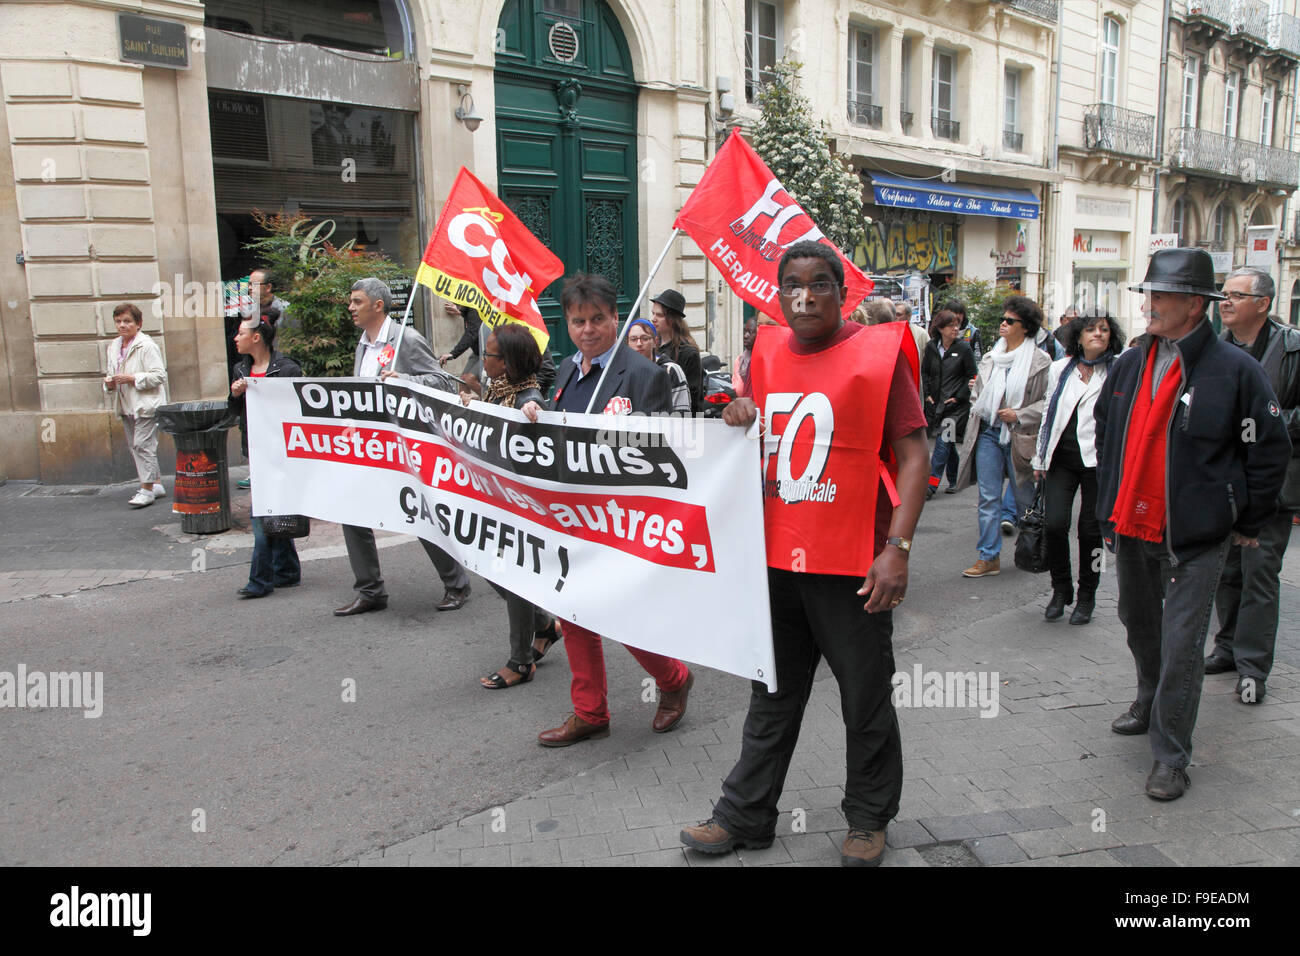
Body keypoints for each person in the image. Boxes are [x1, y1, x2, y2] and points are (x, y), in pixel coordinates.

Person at [679, 240, 928, 867]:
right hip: (780, 559)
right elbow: (760, 431)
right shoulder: (764, 354)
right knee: (773, 693)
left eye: (820, 284)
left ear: (842, 293)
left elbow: (915, 454)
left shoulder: (877, 355)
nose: (805, 295)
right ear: (779, 290)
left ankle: (870, 818)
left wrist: (896, 547)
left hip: (852, 564)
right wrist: (739, 411)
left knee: (863, 698)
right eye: (793, 283)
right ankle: (746, 815)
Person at [1096, 248, 1289, 800]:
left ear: (1192, 305)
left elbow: (1267, 448)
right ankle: (1147, 697)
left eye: (1160, 296)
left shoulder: (1235, 369)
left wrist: (1248, 518)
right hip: (1130, 522)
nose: (1149, 304)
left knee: (1184, 643)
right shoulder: (1131, 362)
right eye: (1149, 294)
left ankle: (1171, 755)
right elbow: (1107, 429)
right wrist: (1108, 500)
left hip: (1196, 535)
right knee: (1138, 622)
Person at [523, 274, 694, 746]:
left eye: (597, 319)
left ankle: (674, 679)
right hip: (571, 518)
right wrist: (535, 410)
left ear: (614, 318)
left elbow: (665, 457)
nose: (587, 330)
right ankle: (590, 711)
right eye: (578, 321)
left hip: (621, 521)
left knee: (622, 615)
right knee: (574, 611)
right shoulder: (563, 374)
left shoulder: (643, 375)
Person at [333, 277, 472, 616]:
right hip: (370, 444)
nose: (351, 307)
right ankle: (370, 589)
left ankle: (456, 583)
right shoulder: (362, 345)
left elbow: (442, 381)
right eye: (351, 301)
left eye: (357, 301)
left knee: (417, 512)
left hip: (404, 444)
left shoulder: (406, 339)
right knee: (351, 511)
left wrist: (406, 380)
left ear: (378, 306)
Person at [1205, 267, 1300, 704]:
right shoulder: (1213, 349)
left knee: (1259, 576)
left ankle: (1253, 668)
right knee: (1226, 571)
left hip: (1273, 486)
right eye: (1223, 294)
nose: (1224, 302)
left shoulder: (1293, 349)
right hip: (1223, 484)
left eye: (1236, 296)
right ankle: (1226, 647)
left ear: (1262, 304)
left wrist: (1264, 421)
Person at [455, 323, 564, 688]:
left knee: (513, 577)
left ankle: (520, 662)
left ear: (509, 361)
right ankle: (544, 625)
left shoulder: (527, 399)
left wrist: (535, 412)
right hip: (493, 502)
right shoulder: (498, 388)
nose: (482, 358)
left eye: (489, 354)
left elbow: (538, 449)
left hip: (519, 510)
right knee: (492, 570)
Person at [1030, 311, 1124, 624]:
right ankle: (1061, 589)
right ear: (1079, 336)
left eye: (1104, 329)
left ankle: (1087, 596)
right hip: (1061, 458)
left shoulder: (1118, 369)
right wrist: (1040, 458)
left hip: (1100, 462)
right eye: (1091, 329)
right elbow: (1048, 412)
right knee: (1055, 525)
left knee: (1090, 532)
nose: (1098, 334)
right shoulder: (1060, 369)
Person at [961, 295, 1051, 577]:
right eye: (1004, 318)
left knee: (1025, 500)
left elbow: (1048, 402)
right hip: (989, 432)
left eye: (1010, 321)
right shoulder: (992, 357)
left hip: (1021, 437)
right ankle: (988, 557)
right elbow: (979, 395)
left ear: (1025, 327)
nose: (1003, 323)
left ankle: (1033, 547)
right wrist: (979, 399)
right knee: (988, 498)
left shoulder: (1041, 361)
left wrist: (1020, 413)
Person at [229, 317, 303, 598]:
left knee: (262, 511)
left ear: (257, 338)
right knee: (273, 506)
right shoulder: (240, 368)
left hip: (282, 449)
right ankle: (287, 571)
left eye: (241, 333)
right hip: (256, 450)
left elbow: (298, 404)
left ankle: (259, 580)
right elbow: (236, 411)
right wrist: (236, 395)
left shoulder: (287, 368)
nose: (236, 338)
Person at [103, 303, 168, 508]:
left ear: (138, 324)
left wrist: (133, 378)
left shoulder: (147, 345)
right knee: (136, 446)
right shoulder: (114, 346)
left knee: (143, 445)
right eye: (118, 321)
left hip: (146, 404)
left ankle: (146, 489)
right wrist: (110, 383)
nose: (122, 325)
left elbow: (159, 376)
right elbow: (111, 374)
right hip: (126, 404)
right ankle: (155, 484)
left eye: (127, 321)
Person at [922, 309, 977, 498]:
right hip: (936, 405)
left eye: (957, 325)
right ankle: (954, 479)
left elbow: (972, 375)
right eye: (951, 325)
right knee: (949, 444)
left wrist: (959, 396)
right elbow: (926, 372)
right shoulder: (931, 347)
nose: (956, 329)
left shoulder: (963, 348)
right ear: (940, 328)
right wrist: (927, 394)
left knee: (943, 442)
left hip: (955, 407)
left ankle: (931, 484)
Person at [650, 289, 704, 413]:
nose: (653, 319)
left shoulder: (688, 353)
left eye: (659, 315)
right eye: (653, 313)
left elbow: (694, 397)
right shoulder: (652, 345)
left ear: (672, 318)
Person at [627, 317, 691, 412]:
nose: (639, 343)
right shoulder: (623, 373)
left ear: (655, 342)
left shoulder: (671, 371)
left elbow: (682, 413)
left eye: (645, 338)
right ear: (627, 343)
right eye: (633, 339)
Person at [439, 304, 484, 383]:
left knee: (471, 379)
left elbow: (472, 333)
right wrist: (460, 312)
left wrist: (453, 354)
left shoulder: (474, 309)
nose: (456, 304)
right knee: (463, 380)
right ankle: (466, 395)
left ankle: (484, 395)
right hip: (477, 352)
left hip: (486, 353)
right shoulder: (468, 309)